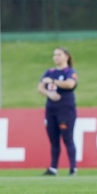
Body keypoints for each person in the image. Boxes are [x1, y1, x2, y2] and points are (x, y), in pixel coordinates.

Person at [37, 47, 78, 176]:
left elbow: (71, 84)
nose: (56, 57)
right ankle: (53, 168)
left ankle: (73, 168)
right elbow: (40, 87)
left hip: (65, 109)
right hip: (51, 110)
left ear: (67, 56)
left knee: (67, 138)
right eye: (54, 55)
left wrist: (54, 82)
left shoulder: (69, 71)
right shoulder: (49, 72)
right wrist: (48, 93)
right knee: (53, 139)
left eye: (59, 55)